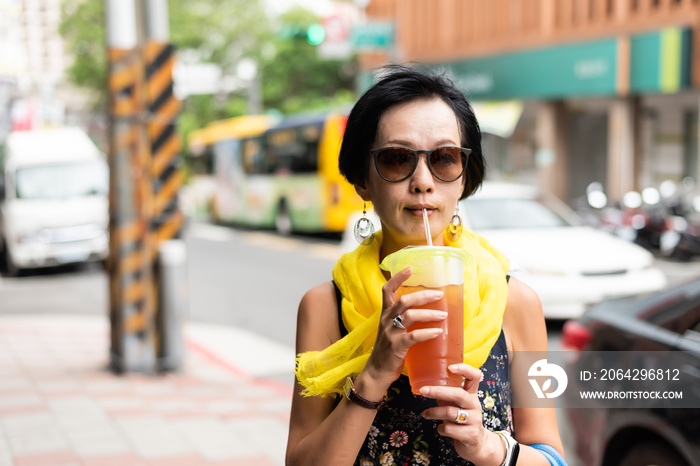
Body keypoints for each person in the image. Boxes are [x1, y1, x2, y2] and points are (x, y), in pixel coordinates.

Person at [285, 65, 566, 466]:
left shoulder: (516, 303)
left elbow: (553, 458)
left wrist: (489, 447)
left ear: (464, 177)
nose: (423, 181)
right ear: (362, 180)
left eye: (445, 159)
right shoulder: (325, 306)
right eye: (398, 159)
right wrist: (375, 373)